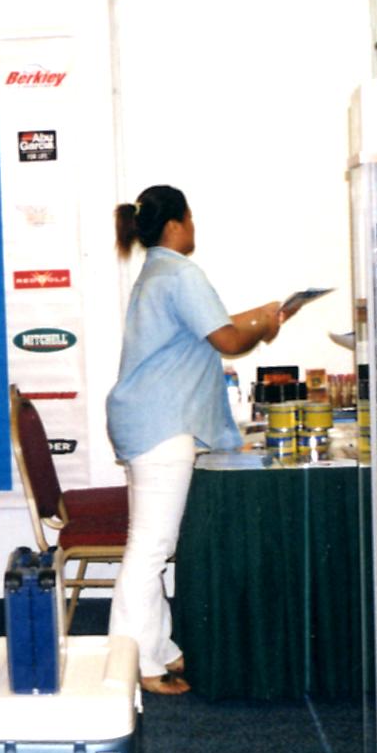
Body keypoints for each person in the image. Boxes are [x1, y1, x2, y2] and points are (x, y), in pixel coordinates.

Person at [105, 184, 283, 695]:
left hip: (148, 422)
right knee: (150, 550)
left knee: (151, 545)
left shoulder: (158, 271)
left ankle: (158, 649)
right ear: (175, 224)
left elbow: (213, 328)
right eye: (191, 218)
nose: (194, 227)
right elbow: (228, 340)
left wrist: (261, 316)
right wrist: (260, 327)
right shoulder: (181, 273)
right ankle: (136, 665)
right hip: (161, 428)